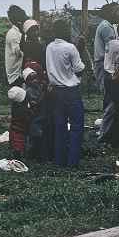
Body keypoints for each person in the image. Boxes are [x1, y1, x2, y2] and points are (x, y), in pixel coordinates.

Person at [46, 19, 86, 168]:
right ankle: (73, 161)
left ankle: (59, 160)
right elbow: (79, 69)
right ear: (66, 31)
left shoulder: (49, 47)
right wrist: (79, 49)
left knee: (60, 126)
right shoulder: (70, 48)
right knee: (76, 126)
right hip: (71, 91)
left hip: (56, 91)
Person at [92, 4, 118, 95]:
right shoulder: (106, 27)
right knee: (108, 92)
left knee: (107, 92)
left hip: (103, 62)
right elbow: (111, 49)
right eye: (116, 12)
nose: (118, 14)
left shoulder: (106, 25)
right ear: (110, 13)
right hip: (104, 63)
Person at [5, 5, 27, 85]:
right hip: (16, 76)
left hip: (19, 74)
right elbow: (19, 53)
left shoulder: (18, 32)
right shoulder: (13, 34)